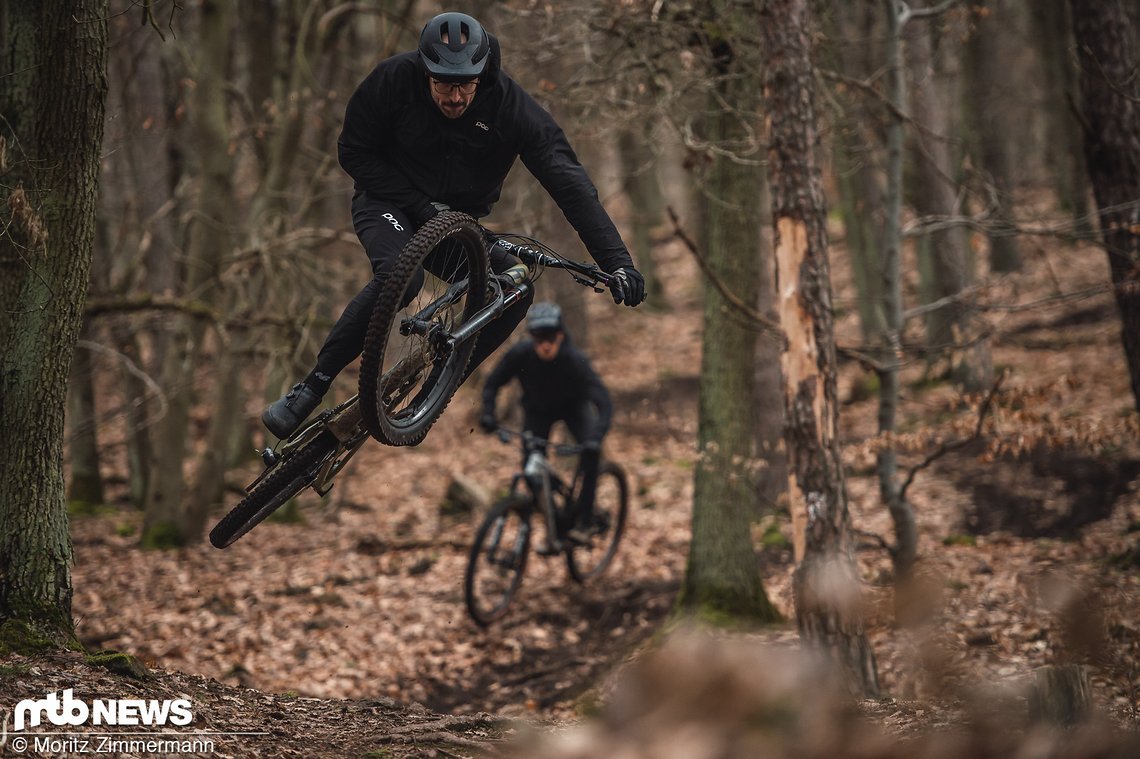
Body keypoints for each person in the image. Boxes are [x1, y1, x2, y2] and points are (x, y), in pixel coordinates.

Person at [262, 11, 645, 439]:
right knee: (402, 279)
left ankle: (437, 389)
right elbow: (353, 152)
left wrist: (618, 262)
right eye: (443, 83)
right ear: (425, 70)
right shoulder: (392, 81)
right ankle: (311, 387)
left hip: (455, 225)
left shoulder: (509, 107)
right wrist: (421, 207)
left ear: (483, 74)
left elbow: (569, 183)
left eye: (466, 84)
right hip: (388, 203)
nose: (455, 96)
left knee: (513, 289)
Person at [479, 302, 611, 544]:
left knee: (591, 454)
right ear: (532, 337)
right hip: (537, 411)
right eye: (539, 337)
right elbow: (492, 383)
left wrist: (596, 437)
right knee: (532, 470)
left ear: (560, 335)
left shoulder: (574, 360)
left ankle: (584, 520)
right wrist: (488, 414)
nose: (545, 344)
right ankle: (558, 522)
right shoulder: (521, 354)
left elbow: (603, 400)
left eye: (550, 337)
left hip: (574, 409)